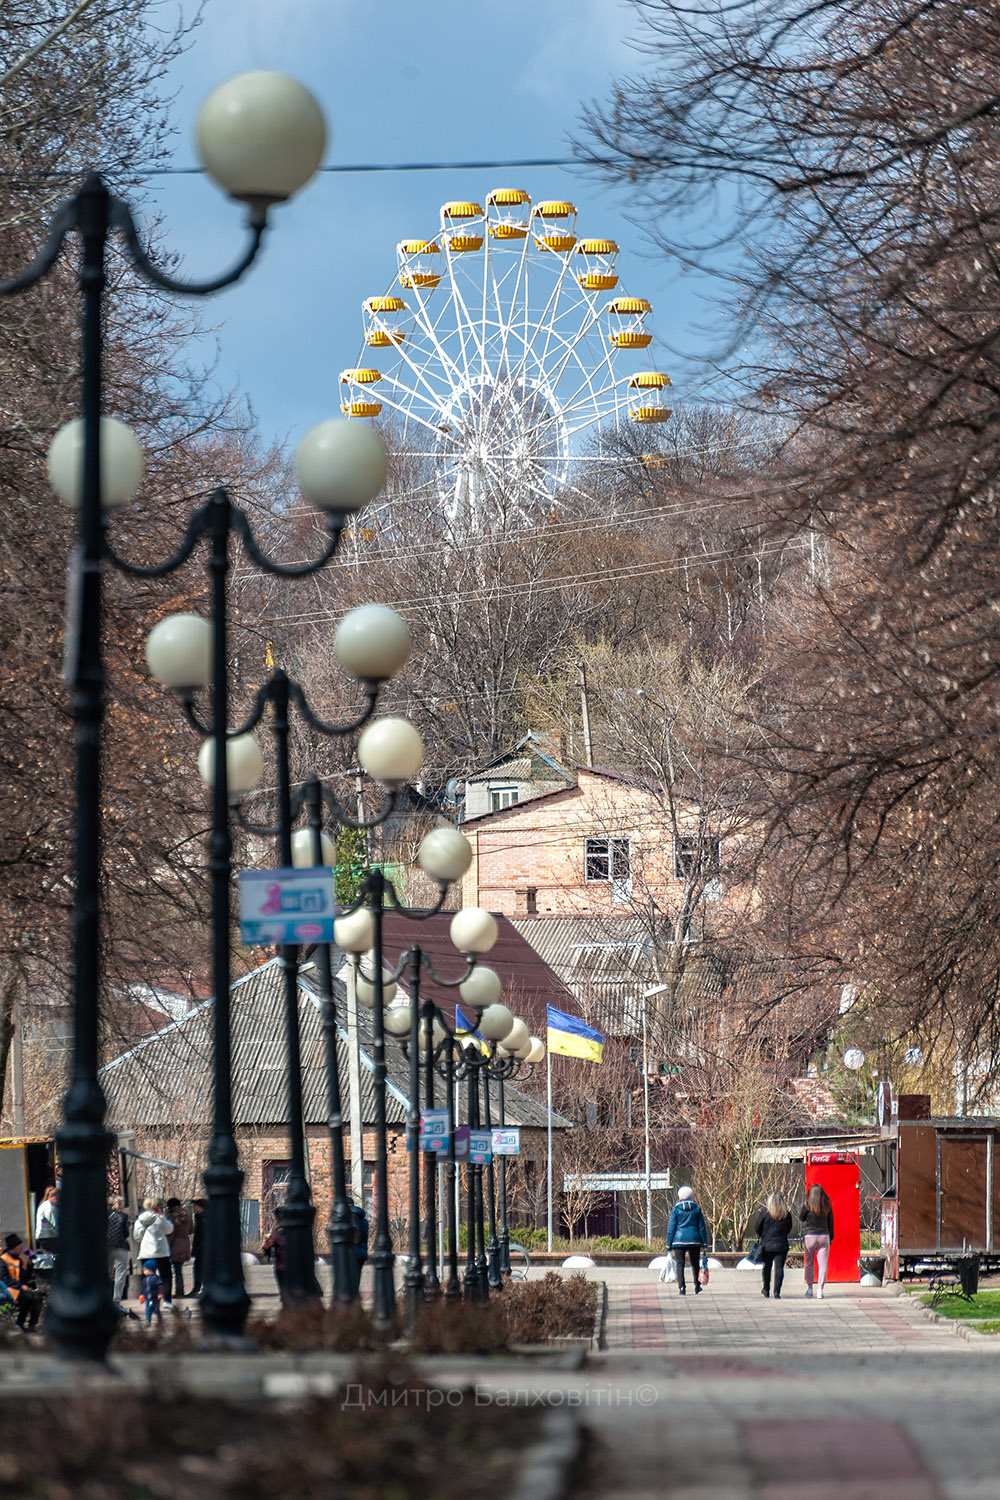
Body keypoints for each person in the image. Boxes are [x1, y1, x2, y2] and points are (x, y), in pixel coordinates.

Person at [665, 1185, 709, 1296]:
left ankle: (682, 1288)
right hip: (694, 1240)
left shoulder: (676, 1210)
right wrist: (704, 1243)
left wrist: (668, 1244)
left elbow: (671, 1228)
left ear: (679, 1196)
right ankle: (697, 1286)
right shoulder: (697, 1209)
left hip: (678, 1241)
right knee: (695, 1263)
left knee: (680, 1264)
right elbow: (701, 1227)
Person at [132, 1198, 174, 1310]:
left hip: (146, 1252)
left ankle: (149, 1300)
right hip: (161, 1252)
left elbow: (136, 1236)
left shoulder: (140, 1219)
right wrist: (162, 1217)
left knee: (148, 1278)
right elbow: (169, 1230)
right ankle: (167, 1300)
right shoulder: (159, 1217)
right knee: (166, 1276)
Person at [753, 1190, 793, 1299]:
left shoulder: (765, 1213)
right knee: (779, 1269)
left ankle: (766, 1289)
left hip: (767, 1245)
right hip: (781, 1245)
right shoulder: (786, 1214)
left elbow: (757, 1227)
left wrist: (763, 1236)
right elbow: (789, 1228)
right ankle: (777, 1292)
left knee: (767, 1267)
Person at [1, 1233, 44, 1332]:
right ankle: (19, 1324)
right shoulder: (3, 1260)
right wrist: (20, 1286)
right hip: (8, 1288)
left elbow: (25, 1276)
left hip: (20, 1288)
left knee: (38, 1299)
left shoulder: (20, 1259)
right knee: (27, 1298)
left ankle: (32, 1325)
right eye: (19, 1246)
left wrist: (30, 1265)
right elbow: (4, 1278)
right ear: (14, 1247)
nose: (21, 1248)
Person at [798, 1183, 835, 1299]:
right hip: (824, 1236)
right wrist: (831, 1238)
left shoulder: (807, 1205)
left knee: (809, 1262)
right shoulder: (827, 1205)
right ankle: (820, 1290)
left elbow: (801, 1218)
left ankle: (810, 1288)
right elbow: (831, 1223)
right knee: (823, 1265)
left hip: (810, 1236)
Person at [165, 1197, 193, 1300]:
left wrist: (167, 1246)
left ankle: (177, 1291)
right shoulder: (188, 1214)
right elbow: (191, 1230)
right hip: (185, 1243)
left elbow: (170, 1233)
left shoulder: (172, 1216)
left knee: (174, 1270)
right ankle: (180, 1290)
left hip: (174, 1244)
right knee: (179, 1269)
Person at [107, 1196, 131, 1308]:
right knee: (120, 1273)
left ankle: (106, 1298)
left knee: (107, 1272)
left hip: (107, 1246)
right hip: (120, 1246)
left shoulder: (106, 1214)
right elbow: (126, 1233)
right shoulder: (124, 1216)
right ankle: (116, 1300)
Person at [262, 1208, 287, 1304]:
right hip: (294, 1264)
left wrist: (267, 1255)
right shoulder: (294, 1230)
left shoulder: (276, 1232)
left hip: (281, 1265)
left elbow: (267, 1246)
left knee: (284, 1289)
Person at [347, 1192, 369, 1298]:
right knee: (355, 1278)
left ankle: (352, 1299)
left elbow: (357, 1235)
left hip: (354, 1252)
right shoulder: (360, 1217)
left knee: (351, 1280)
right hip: (360, 1252)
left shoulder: (352, 1215)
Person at [189, 1198, 206, 1296]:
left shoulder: (204, 1219)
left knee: (201, 1269)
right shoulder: (200, 1217)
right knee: (199, 1269)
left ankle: (200, 1288)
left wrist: (197, 1248)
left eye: (195, 1206)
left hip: (203, 1249)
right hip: (201, 1248)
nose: (194, 1208)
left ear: (200, 1207)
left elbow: (201, 1236)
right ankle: (199, 1288)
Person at [141, 1258, 165, 1326]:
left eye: (145, 1270)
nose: (144, 1271)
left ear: (151, 1270)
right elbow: (143, 1288)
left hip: (155, 1298)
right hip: (148, 1298)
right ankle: (147, 1320)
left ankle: (160, 1319)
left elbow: (160, 1286)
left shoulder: (155, 1278)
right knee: (148, 1309)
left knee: (156, 1309)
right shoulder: (145, 1279)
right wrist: (142, 1295)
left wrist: (160, 1293)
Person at [35, 1187, 58, 1253]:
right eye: (57, 1199)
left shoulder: (45, 1205)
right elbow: (54, 1223)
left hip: (45, 1236)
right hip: (48, 1237)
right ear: (50, 1196)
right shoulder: (48, 1207)